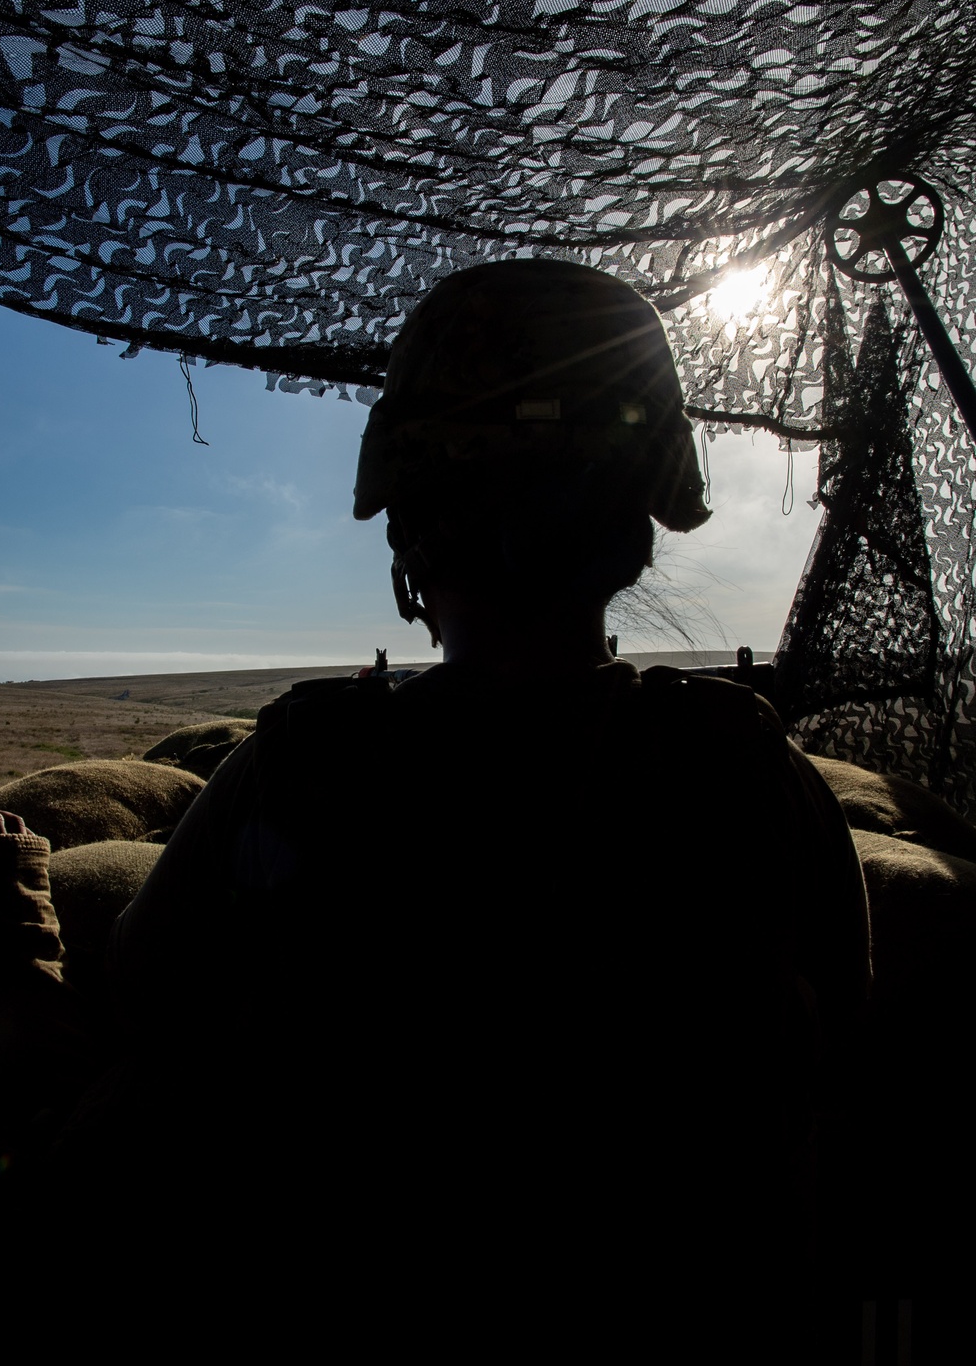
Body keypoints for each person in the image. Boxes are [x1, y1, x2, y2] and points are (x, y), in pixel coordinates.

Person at [99, 260, 869, 1336]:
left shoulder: (303, 759)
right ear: (634, 529)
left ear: (408, 525)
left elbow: (147, 985)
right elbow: (840, 1038)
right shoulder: (740, 764)